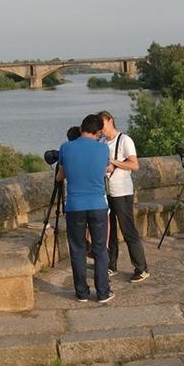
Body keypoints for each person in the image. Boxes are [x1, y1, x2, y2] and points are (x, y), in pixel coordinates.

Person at [56, 114, 114, 303]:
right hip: (98, 205)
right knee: (100, 249)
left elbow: (61, 175)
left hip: (75, 206)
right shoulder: (103, 148)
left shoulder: (66, 147)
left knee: (78, 249)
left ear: (81, 127)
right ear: (98, 132)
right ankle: (103, 292)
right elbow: (106, 169)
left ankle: (82, 292)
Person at [99, 111, 150, 283]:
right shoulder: (101, 141)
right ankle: (111, 265)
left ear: (110, 121)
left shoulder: (124, 140)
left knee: (128, 230)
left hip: (122, 192)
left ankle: (141, 268)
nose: (101, 130)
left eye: (103, 125)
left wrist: (114, 163)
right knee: (109, 231)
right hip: (106, 192)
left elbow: (134, 165)